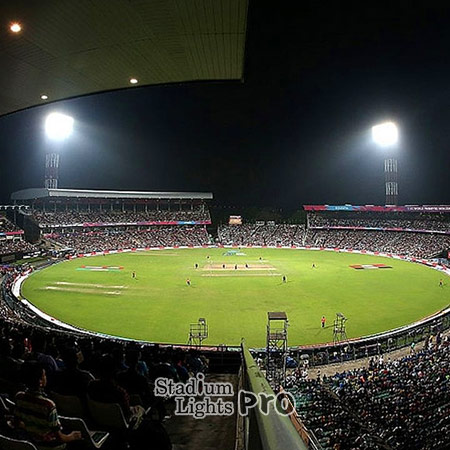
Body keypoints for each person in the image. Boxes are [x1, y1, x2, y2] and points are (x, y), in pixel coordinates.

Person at [14, 361, 82, 449]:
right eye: (44, 375)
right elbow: (60, 437)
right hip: (48, 445)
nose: (46, 377)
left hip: (31, 440)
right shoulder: (48, 405)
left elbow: (17, 422)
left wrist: (32, 427)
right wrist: (72, 436)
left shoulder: (19, 397)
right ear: (40, 381)